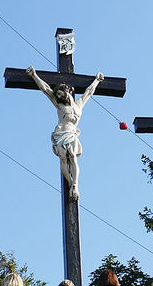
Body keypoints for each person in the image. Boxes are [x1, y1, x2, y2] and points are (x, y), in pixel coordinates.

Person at [26, 65, 105, 201]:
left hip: (72, 133)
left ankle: (75, 184)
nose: (59, 97)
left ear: (67, 91)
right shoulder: (59, 105)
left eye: (61, 94)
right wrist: (34, 75)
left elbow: (89, 92)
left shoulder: (79, 104)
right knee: (64, 158)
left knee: (73, 157)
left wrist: (97, 80)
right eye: (58, 96)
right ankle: (70, 183)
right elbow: (45, 89)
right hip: (61, 133)